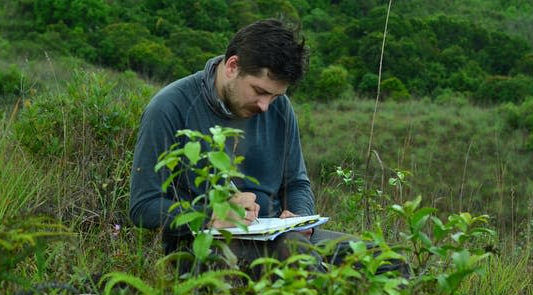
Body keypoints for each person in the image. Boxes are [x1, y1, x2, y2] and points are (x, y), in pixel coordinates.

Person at [129, 18, 406, 278]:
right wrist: (211, 215)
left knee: (388, 263)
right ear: (232, 67)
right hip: (204, 244)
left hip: (282, 235)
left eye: (275, 96)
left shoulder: (279, 108)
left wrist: (298, 217)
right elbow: (143, 206)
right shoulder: (170, 107)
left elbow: (296, 183)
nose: (265, 106)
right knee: (302, 264)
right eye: (260, 91)